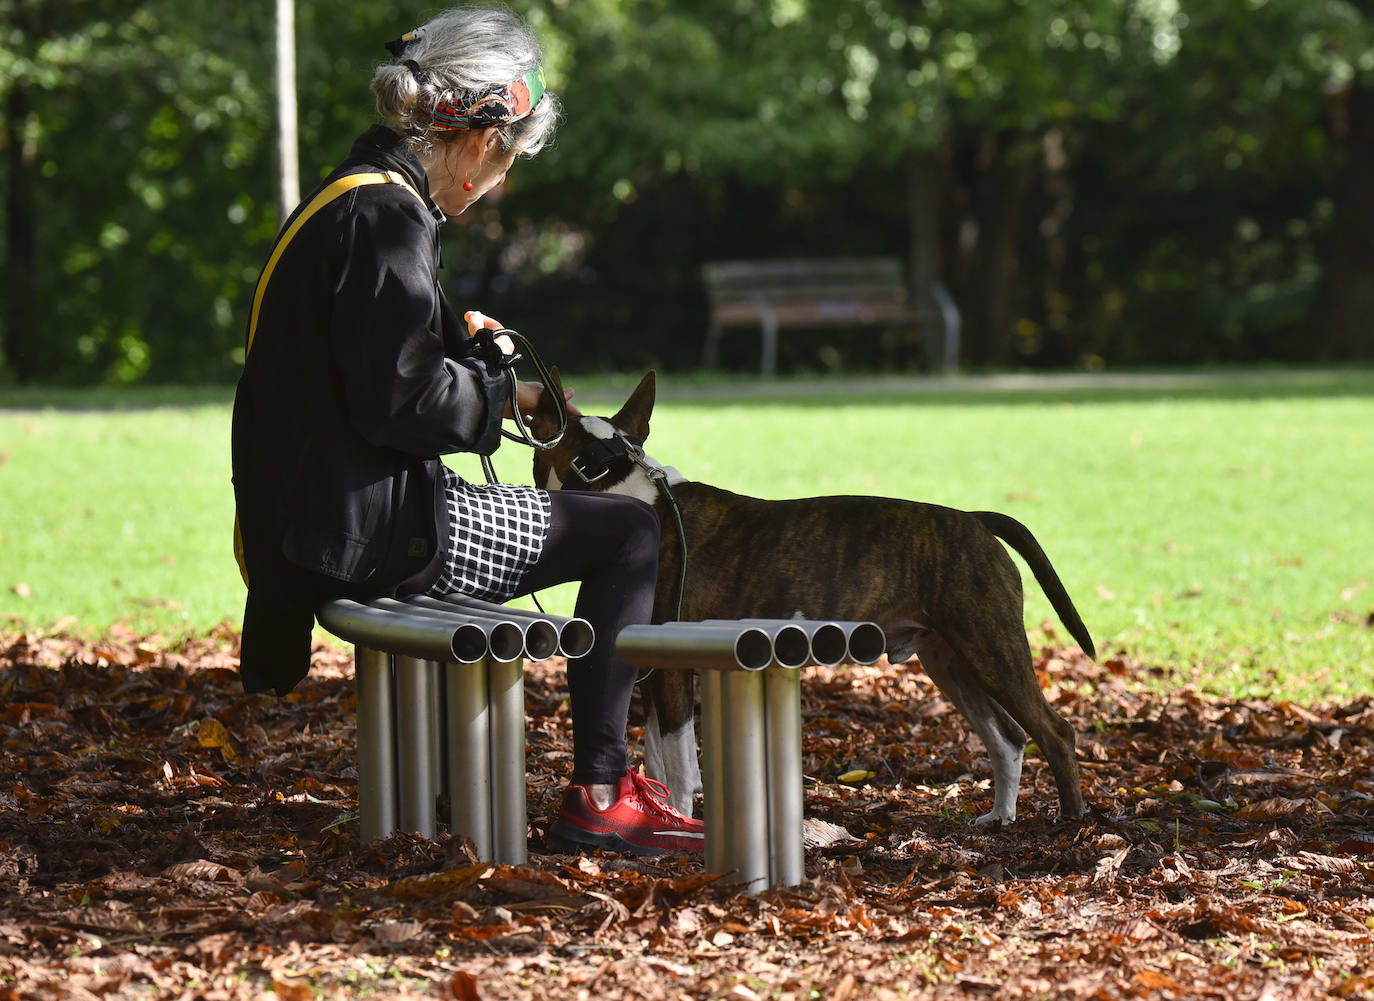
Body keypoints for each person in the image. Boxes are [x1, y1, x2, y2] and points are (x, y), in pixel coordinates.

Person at [230, 5, 703, 856]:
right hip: (364, 534)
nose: (499, 184)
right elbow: (404, 400)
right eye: (509, 160)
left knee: (604, 529)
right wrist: (499, 389)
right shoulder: (390, 218)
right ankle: (602, 791)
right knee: (631, 533)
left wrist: (485, 370)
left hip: (311, 522)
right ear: (483, 140)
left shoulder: (348, 196)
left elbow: (371, 371)